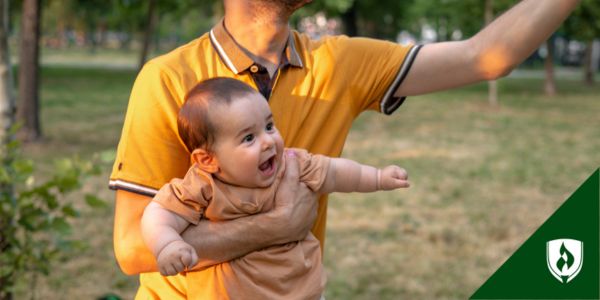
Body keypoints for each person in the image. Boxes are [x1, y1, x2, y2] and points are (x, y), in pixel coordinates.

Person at [109, 0, 580, 298]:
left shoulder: (337, 62)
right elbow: (133, 247)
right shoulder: (168, 78)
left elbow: (486, 55)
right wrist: (277, 226)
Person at [141, 77, 410, 299]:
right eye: (249, 138)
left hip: (303, 292)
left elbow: (335, 172)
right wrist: (167, 245)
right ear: (207, 160)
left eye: (269, 126)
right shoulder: (203, 185)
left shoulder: (290, 164)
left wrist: (377, 177)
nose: (268, 141)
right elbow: (158, 214)